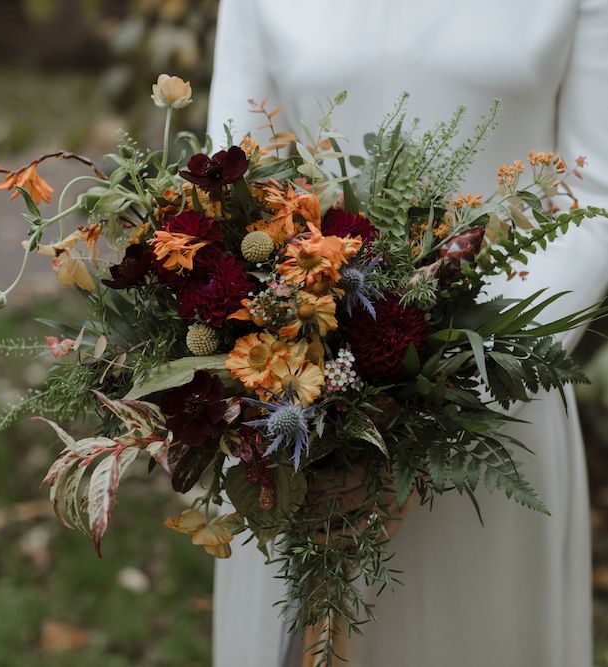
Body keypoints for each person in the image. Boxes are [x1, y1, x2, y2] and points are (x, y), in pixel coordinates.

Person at [206, 1, 608, 665]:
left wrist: (463, 371)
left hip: (496, 403)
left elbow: (594, 190)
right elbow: (231, 180)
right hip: (301, 407)